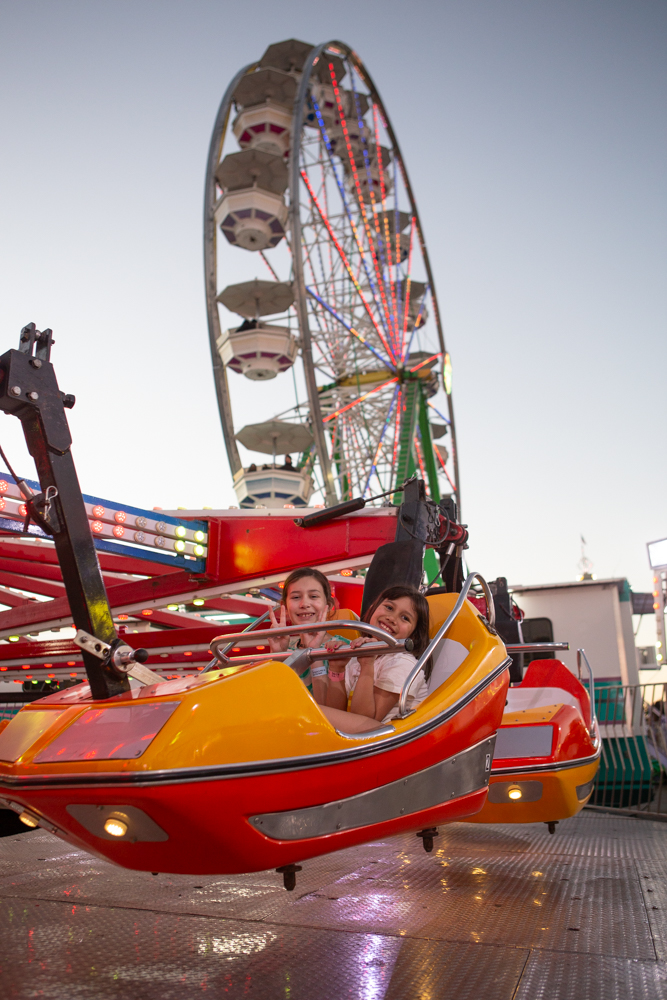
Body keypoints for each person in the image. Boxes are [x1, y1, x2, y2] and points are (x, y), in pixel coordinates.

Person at [322, 585, 431, 733]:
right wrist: (337, 669)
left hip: (388, 740)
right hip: (356, 737)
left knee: (303, 709)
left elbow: (364, 722)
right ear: (373, 608)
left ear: (413, 635)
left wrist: (367, 665)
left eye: (405, 618)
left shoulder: (403, 663)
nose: (392, 618)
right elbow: (337, 712)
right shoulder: (357, 657)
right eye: (389, 608)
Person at [268, 567, 339, 704]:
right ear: (285, 606)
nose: (304, 604)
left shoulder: (344, 649)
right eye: (296, 597)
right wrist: (277, 657)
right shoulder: (286, 648)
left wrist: (315, 654)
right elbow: (275, 702)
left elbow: (329, 712)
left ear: (328, 605)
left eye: (313, 596)